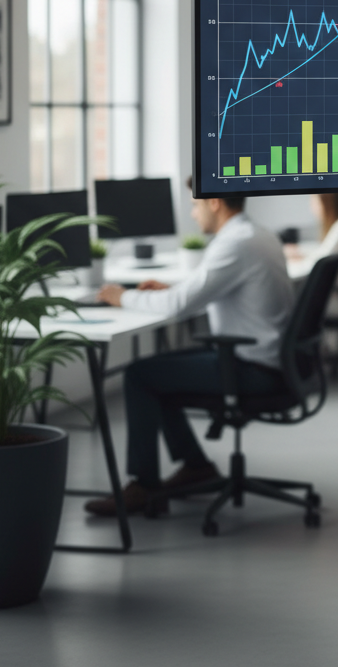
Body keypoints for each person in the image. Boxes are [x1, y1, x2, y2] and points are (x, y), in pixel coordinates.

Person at [85, 182, 293, 516]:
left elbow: (180, 307)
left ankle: (144, 486)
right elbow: (205, 293)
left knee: (141, 376)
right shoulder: (257, 235)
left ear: (213, 202)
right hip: (270, 360)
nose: (193, 214)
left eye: (195, 206)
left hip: (252, 368)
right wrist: (176, 288)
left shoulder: (235, 244)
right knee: (157, 373)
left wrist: (120, 296)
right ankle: (196, 466)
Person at [284, 193, 338, 317]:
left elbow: (321, 263)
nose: (312, 208)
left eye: (314, 202)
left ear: (327, 202)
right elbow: (324, 251)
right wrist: (300, 253)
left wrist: (294, 259)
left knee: (288, 302)